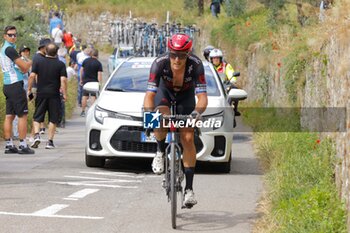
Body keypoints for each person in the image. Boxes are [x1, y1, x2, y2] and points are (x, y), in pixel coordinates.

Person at [143, 33, 208, 208]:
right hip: (165, 93)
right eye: (173, 54)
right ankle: (160, 152)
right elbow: (149, 96)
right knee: (160, 117)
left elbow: (202, 97)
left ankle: (189, 189)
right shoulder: (159, 64)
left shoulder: (196, 65)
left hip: (185, 97)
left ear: (188, 54)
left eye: (182, 56)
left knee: (187, 138)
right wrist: (150, 117)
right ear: (168, 52)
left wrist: (196, 113)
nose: (177, 60)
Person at [0, 25, 34, 154]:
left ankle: (9, 144)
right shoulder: (10, 49)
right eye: (10, 35)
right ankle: (23, 144)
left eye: (15, 34)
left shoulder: (4, 49)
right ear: (5, 36)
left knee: (9, 115)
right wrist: (31, 61)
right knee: (22, 115)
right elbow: (25, 68)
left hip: (7, 84)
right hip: (15, 84)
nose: (13, 37)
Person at [28, 42, 67, 149]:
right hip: (54, 94)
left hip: (41, 93)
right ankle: (50, 142)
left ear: (46, 50)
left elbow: (32, 76)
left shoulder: (39, 62)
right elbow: (63, 80)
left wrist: (29, 89)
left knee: (37, 116)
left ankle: (36, 135)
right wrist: (64, 93)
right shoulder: (60, 64)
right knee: (53, 119)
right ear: (56, 52)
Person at [209, 48, 241, 116]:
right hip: (211, 87)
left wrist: (232, 80)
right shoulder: (209, 67)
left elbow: (231, 74)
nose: (216, 59)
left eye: (217, 58)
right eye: (214, 58)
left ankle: (235, 110)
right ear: (211, 59)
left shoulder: (226, 66)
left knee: (234, 89)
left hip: (224, 86)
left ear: (221, 59)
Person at [12, 45, 32, 141]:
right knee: (18, 112)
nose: (26, 53)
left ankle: (20, 133)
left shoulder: (28, 62)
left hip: (25, 89)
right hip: (19, 88)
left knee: (23, 112)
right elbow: (23, 71)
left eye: (27, 51)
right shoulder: (18, 62)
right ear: (20, 53)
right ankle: (16, 133)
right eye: (24, 51)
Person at [80, 49, 102, 117]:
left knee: (84, 96)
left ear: (91, 54)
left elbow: (81, 70)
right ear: (97, 55)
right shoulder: (98, 63)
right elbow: (99, 75)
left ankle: (83, 111)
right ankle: (92, 112)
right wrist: (99, 83)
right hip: (94, 82)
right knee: (93, 96)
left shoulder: (85, 61)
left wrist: (81, 79)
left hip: (86, 81)